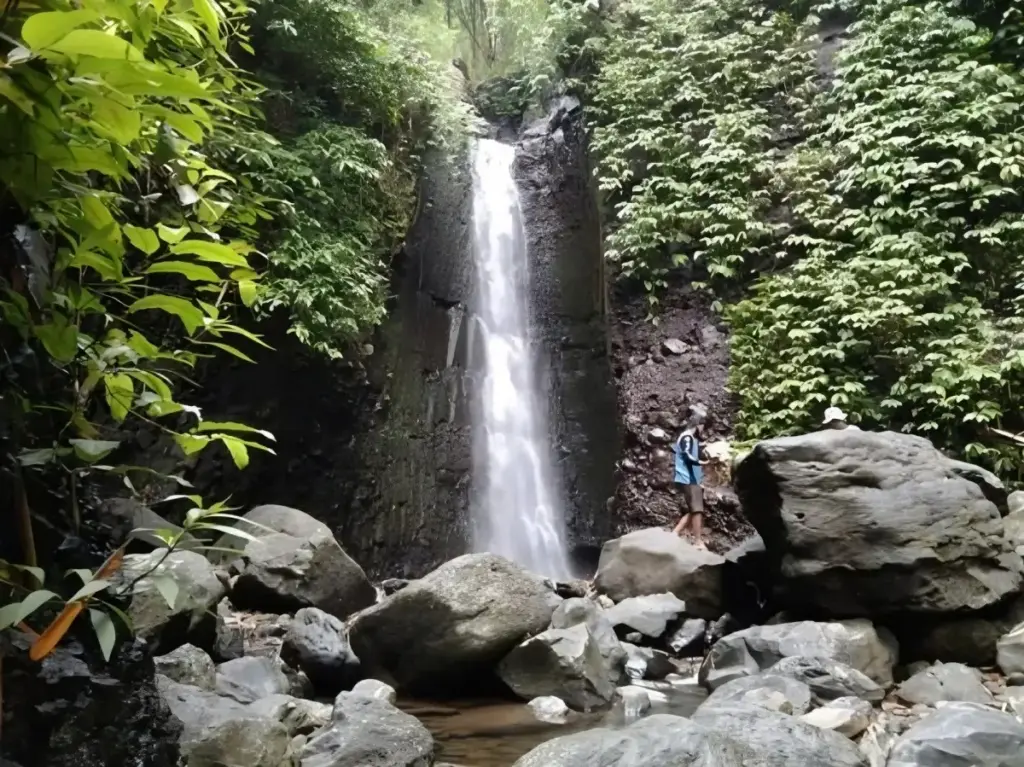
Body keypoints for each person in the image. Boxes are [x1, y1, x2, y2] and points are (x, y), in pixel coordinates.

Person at [671, 411, 708, 547]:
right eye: (703, 425)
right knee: (697, 509)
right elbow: (687, 456)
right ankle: (698, 541)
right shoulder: (687, 438)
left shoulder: (690, 438)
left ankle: (675, 533)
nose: (703, 429)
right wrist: (701, 463)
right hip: (688, 477)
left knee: (693, 509)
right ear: (698, 425)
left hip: (691, 477)